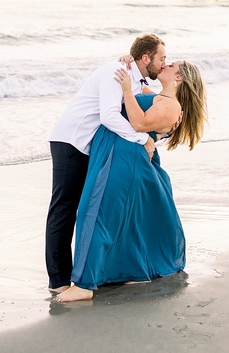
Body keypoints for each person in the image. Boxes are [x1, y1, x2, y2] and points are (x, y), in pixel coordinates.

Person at [55, 60, 207, 302]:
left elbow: (139, 123)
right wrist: (130, 64)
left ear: (179, 78)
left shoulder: (170, 105)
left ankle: (85, 285)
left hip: (124, 157)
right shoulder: (160, 97)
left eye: (172, 66)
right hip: (117, 153)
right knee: (113, 216)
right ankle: (125, 270)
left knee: (96, 213)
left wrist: (126, 89)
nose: (166, 64)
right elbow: (139, 84)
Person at [45, 34, 167, 294]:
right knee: (64, 209)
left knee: (82, 208)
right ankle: (58, 282)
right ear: (146, 58)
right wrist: (142, 138)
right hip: (72, 141)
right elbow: (110, 115)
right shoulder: (117, 71)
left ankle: (81, 273)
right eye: (161, 58)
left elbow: (153, 104)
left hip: (89, 147)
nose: (163, 64)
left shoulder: (133, 79)